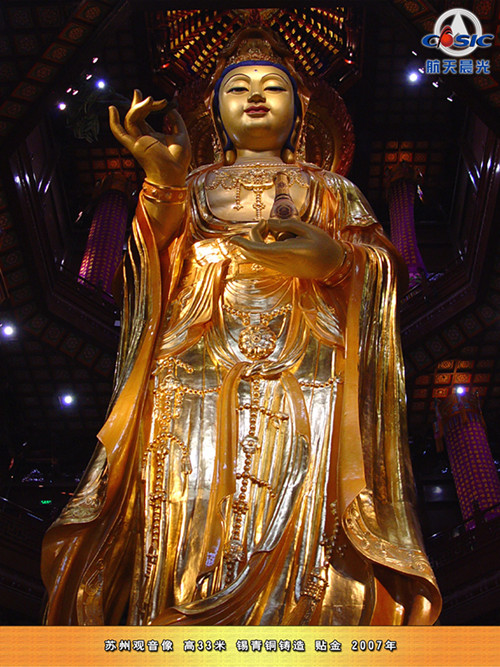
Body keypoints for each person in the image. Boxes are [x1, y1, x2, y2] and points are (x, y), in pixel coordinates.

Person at [41, 28, 441, 625]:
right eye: (238, 88)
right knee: (190, 475)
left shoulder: (332, 188)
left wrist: (336, 260)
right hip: (197, 345)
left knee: (300, 471)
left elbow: (381, 265)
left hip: (307, 346)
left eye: (273, 86)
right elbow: (148, 270)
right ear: (215, 113)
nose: (256, 96)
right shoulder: (194, 184)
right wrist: (162, 185)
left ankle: (302, 617)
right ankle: (177, 610)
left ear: (300, 113)